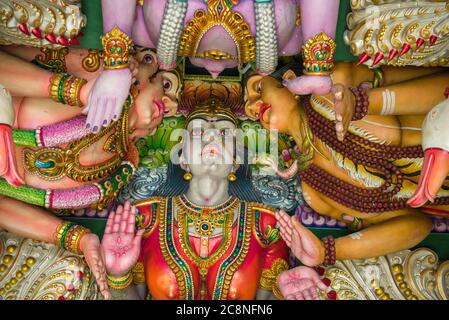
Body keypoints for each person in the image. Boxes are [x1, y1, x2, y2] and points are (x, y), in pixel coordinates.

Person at [244, 62, 449, 297]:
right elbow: (418, 225)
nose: (252, 106)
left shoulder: (335, 85)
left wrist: (367, 101)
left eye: (258, 87)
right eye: (250, 106)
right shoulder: (315, 191)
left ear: (289, 78)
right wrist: (329, 251)